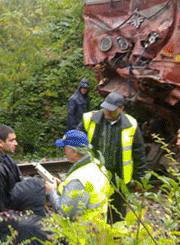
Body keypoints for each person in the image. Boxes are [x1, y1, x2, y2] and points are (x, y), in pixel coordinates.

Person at [79, 91, 146, 223]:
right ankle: (97, 235)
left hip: (118, 176)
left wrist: (139, 179)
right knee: (94, 208)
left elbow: (139, 153)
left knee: (117, 212)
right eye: (106, 108)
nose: (107, 112)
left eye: (111, 110)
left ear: (121, 109)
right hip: (95, 173)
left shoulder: (131, 125)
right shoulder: (90, 119)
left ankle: (116, 237)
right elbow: (77, 139)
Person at [49, 130, 111, 221]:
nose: (64, 152)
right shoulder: (97, 165)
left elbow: (65, 212)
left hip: (82, 231)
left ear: (74, 152)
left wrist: (51, 191)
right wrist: (62, 185)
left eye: (65, 148)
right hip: (99, 226)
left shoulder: (77, 179)